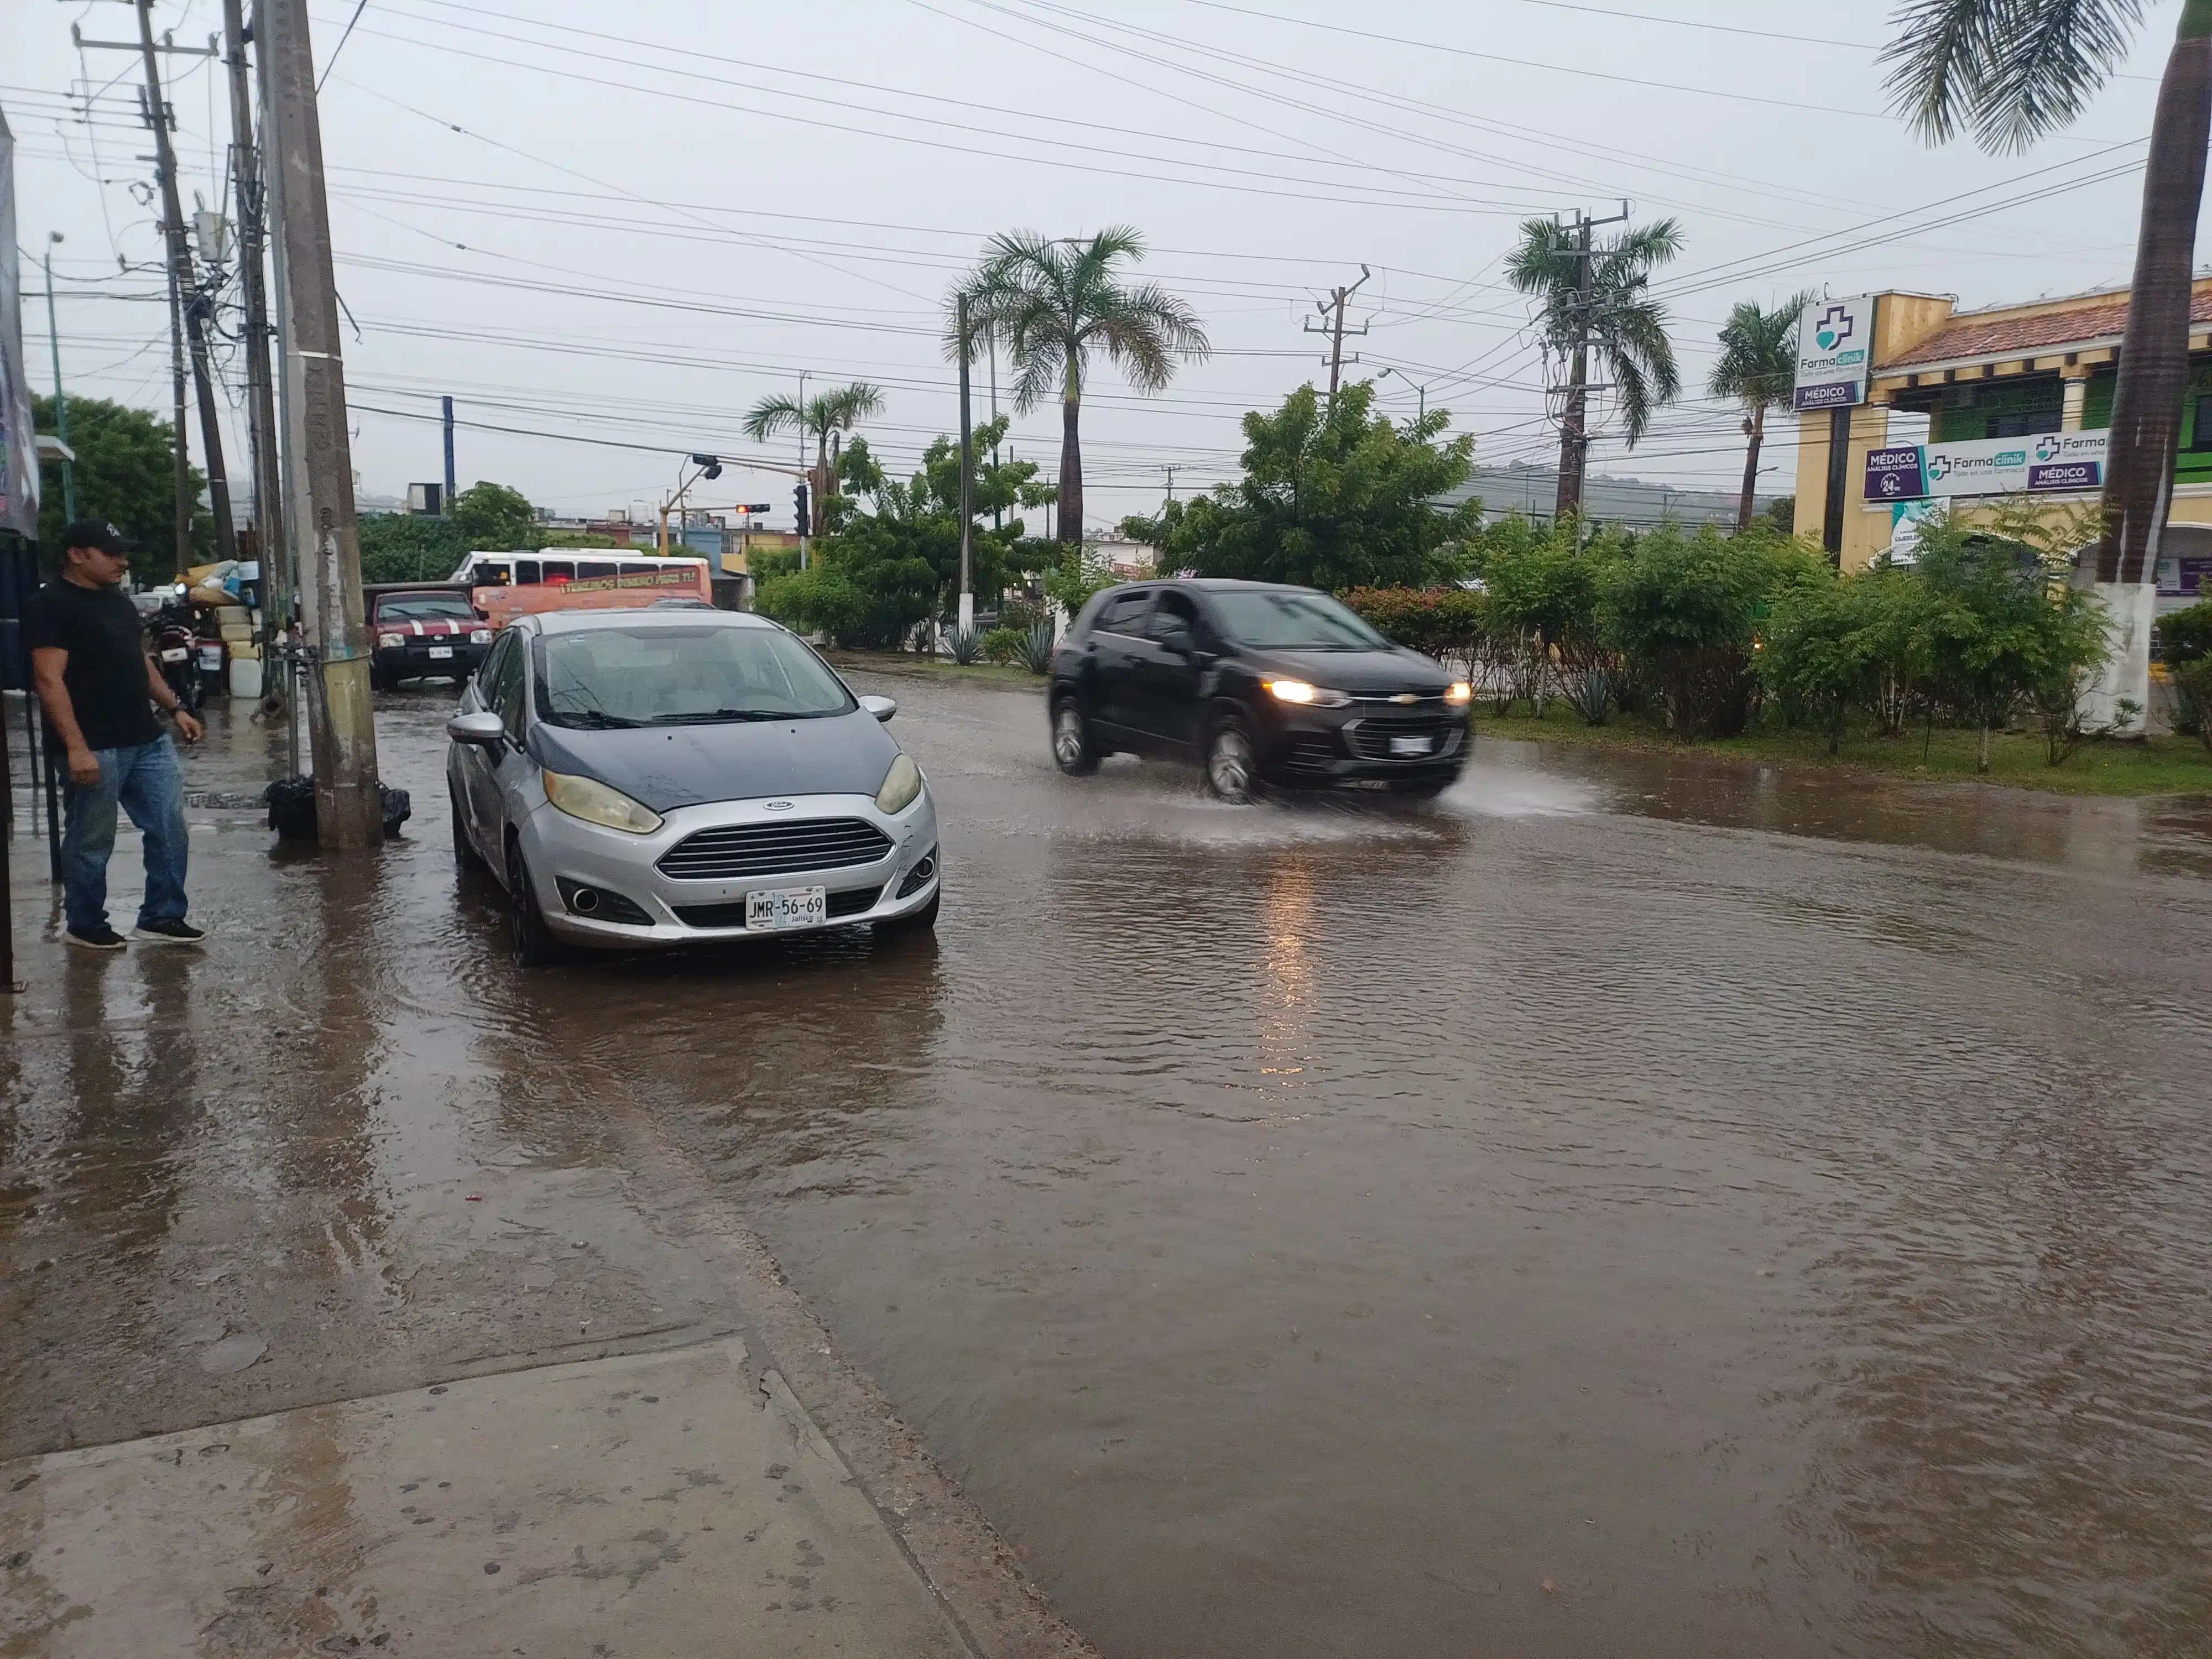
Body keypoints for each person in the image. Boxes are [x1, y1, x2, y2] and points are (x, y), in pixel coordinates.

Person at [26, 520, 207, 951]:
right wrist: (75, 748)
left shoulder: (118, 601)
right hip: (93, 745)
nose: (123, 562)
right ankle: (85, 923)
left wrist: (175, 707)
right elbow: (49, 680)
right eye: (111, 553)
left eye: (123, 553)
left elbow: (139, 662)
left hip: (146, 737)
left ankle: (162, 916)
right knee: (92, 839)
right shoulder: (51, 605)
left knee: (169, 828)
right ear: (77, 554)